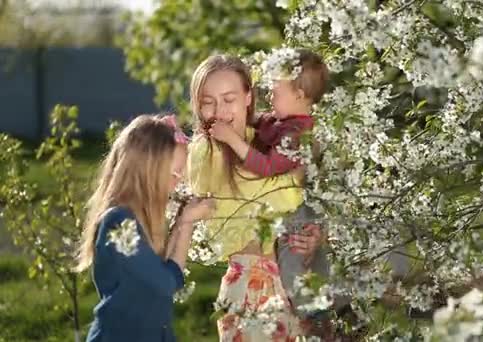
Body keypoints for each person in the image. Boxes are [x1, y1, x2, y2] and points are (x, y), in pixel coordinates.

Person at [187, 54, 326, 340]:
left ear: (248, 97)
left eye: (229, 99)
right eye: (207, 101)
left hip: (297, 278)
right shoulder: (206, 152)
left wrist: (319, 236)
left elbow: (304, 200)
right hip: (249, 285)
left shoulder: (276, 138)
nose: (219, 111)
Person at [75, 114, 215, 342]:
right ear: (147, 169)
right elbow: (167, 282)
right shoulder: (118, 223)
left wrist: (185, 221)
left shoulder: (141, 220)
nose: (178, 182)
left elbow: (170, 278)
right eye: (173, 174)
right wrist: (185, 221)